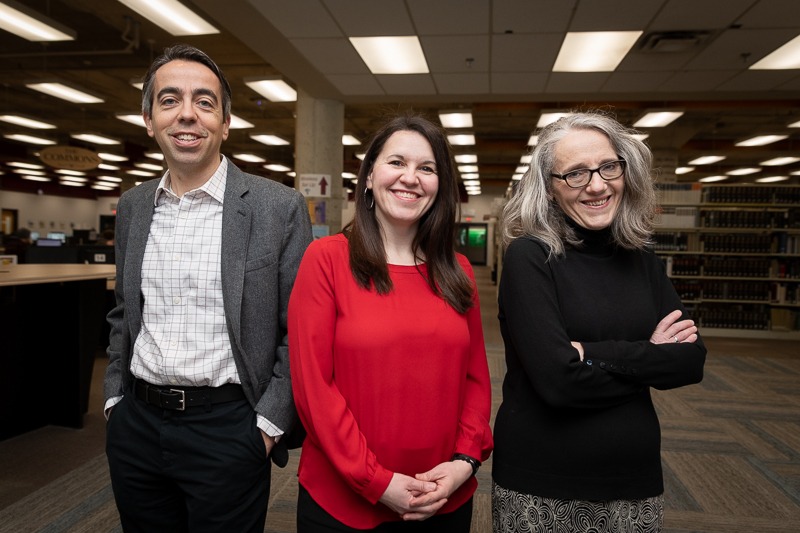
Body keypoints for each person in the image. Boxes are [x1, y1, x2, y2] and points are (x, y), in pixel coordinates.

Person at [103, 44, 312, 533]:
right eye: (170, 100)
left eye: (204, 101)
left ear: (225, 121)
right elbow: (123, 311)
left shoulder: (276, 208)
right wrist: (115, 401)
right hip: (137, 424)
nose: (187, 115)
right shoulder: (133, 207)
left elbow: (300, 330)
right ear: (149, 120)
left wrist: (266, 427)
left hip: (230, 428)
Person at [492, 111, 706, 533]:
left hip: (635, 476)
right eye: (575, 174)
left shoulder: (641, 255)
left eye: (608, 167)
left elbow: (690, 361)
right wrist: (650, 356)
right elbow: (558, 382)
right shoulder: (530, 257)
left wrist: (588, 353)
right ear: (550, 189)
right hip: (544, 481)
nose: (596, 184)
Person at [288, 115, 493, 531]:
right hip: (343, 501)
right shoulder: (326, 260)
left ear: (441, 186)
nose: (411, 178)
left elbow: (476, 380)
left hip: (443, 496)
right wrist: (375, 480)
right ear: (368, 177)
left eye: (427, 168)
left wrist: (463, 463)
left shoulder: (459, 271)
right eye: (396, 162)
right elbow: (313, 388)